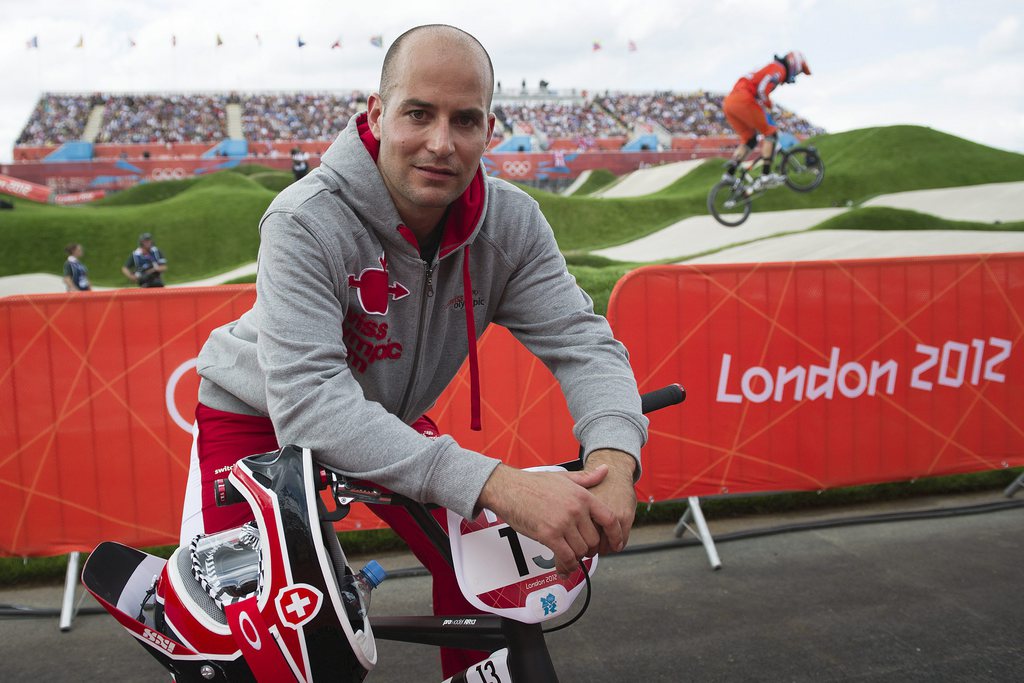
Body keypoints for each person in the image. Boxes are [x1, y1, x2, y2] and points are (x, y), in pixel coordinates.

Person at [181, 24, 647, 678]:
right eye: (419, 114)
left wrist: (616, 457)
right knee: (260, 639)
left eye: (465, 120)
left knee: (499, 569)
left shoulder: (510, 223)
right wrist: (495, 481)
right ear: (377, 113)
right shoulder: (303, 218)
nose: (441, 143)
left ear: (490, 128)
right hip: (258, 419)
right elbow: (311, 410)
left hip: (385, 421)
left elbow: (584, 344)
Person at [722, 51, 811, 192]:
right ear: (795, 64)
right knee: (771, 133)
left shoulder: (770, 67)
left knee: (750, 139)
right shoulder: (779, 69)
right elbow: (763, 89)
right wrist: (770, 106)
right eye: (799, 72)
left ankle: (729, 174)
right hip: (743, 99)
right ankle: (765, 175)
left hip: (729, 103)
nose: (796, 76)